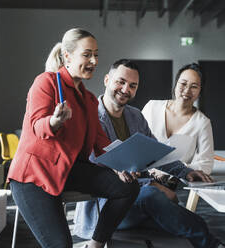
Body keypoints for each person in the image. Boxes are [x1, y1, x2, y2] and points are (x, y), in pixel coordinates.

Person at [73, 59, 225, 248]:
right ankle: (212, 245)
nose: (125, 89)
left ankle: (213, 244)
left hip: (136, 204)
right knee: (153, 197)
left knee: (180, 221)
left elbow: (156, 153)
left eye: (132, 85)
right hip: (107, 207)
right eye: (120, 82)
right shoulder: (90, 117)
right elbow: (97, 170)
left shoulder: (135, 116)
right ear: (107, 80)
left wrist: (184, 172)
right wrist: (152, 185)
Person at [7, 29, 140, 248]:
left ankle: (95, 244)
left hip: (69, 170)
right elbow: (36, 125)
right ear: (68, 56)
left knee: (128, 187)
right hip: (34, 175)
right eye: (87, 54)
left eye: (96, 55)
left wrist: (122, 163)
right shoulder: (46, 82)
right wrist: (55, 121)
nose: (94, 61)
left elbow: (100, 140)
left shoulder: (88, 99)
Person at [142, 63, 214, 175]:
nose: (187, 90)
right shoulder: (152, 107)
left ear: (200, 92)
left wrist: (175, 170)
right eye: (183, 83)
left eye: (194, 86)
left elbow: (206, 164)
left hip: (175, 181)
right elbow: (134, 143)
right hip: (141, 175)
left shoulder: (202, 123)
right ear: (175, 85)